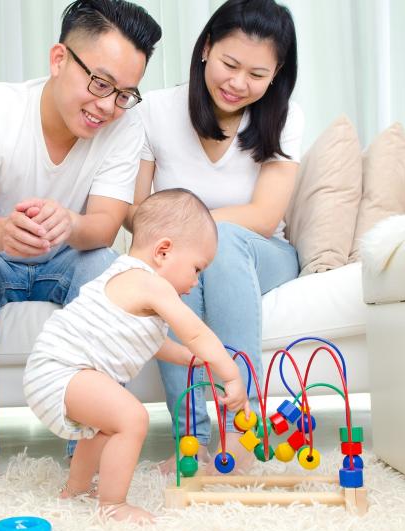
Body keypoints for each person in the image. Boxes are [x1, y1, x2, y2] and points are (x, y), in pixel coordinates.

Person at [0, 0, 161, 487]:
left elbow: (103, 226)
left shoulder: (126, 126)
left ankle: (93, 440)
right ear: (59, 60)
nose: (107, 106)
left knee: (106, 264)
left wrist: (71, 224)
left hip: (69, 257)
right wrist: (1, 231)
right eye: (99, 84)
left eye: (124, 94)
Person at [126, 0, 302, 473]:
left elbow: (264, 217)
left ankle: (239, 430)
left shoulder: (285, 117)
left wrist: (189, 233)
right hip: (182, 257)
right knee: (165, 270)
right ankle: (192, 442)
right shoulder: (156, 111)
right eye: (229, 64)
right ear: (206, 48)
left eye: (257, 73)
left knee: (220, 240)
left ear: (276, 73)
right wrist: (181, 245)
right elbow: (135, 211)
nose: (239, 83)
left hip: (263, 254)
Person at [23, 188, 250, 522]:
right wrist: (230, 374)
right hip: (61, 370)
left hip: (54, 372)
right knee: (132, 418)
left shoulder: (127, 279)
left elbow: (151, 342)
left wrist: (189, 358)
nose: (195, 281)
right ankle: (112, 504)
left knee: (104, 427)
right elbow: (197, 331)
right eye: (197, 269)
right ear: (163, 251)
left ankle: (76, 489)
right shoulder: (151, 284)